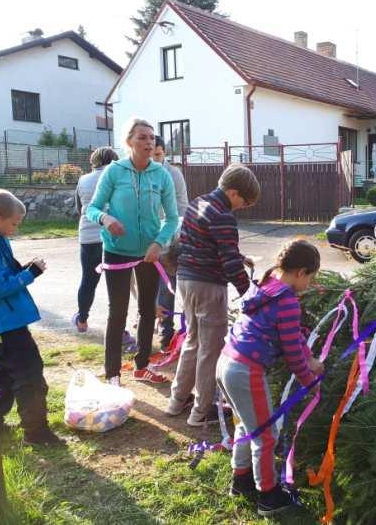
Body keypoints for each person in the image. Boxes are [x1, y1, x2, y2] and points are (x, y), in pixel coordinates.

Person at [216, 239, 324, 516]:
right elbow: (291, 352)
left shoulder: (268, 285)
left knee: (247, 427)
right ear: (300, 272)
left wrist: (310, 357)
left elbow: (294, 335)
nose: (310, 284)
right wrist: (308, 380)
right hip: (245, 371)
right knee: (266, 435)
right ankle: (268, 496)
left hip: (227, 360)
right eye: (311, 278)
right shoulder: (287, 301)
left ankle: (241, 481)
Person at [86, 118, 179, 386]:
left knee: (148, 310)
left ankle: (142, 366)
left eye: (152, 138)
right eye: (142, 137)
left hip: (149, 253)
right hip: (116, 252)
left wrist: (159, 243)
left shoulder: (161, 174)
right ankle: (113, 374)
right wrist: (106, 219)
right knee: (118, 311)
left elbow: (172, 218)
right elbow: (92, 208)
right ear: (129, 142)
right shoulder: (114, 172)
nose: (149, 142)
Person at [166, 164, 260, 426]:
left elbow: (203, 242)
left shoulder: (198, 203)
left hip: (186, 280)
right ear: (232, 192)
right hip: (209, 286)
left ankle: (177, 400)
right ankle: (201, 411)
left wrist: (241, 257)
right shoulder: (224, 215)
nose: (242, 206)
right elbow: (228, 264)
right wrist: (250, 294)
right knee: (211, 349)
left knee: (192, 341)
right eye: (243, 201)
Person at [0, 190, 62, 445]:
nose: (16, 229)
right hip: (6, 324)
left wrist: (23, 270)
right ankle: (37, 433)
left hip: (6, 322)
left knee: (6, 376)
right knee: (29, 374)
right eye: (14, 224)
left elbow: (4, 275)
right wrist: (28, 275)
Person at [72, 148, 136, 349]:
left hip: (88, 237)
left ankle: (82, 319)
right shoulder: (120, 177)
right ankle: (121, 332)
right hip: (114, 238)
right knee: (117, 288)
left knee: (88, 280)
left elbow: (79, 208)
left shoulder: (83, 180)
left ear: (94, 161)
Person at [152, 135, 189, 349]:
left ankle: (174, 333)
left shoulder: (173, 173)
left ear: (164, 153)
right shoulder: (142, 173)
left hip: (172, 238)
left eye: (158, 154)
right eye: (151, 155)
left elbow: (181, 208)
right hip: (149, 239)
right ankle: (159, 328)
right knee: (155, 288)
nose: (155, 159)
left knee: (172, 286)